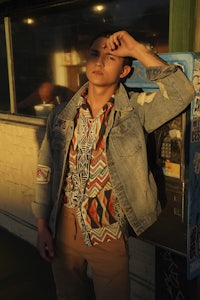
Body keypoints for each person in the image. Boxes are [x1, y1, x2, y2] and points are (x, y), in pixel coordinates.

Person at [32, 30, 195, 300]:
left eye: (110, 57)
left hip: (108, 232)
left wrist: (137, 49)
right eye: (94, 54)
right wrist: (41, 226)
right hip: (62, 226)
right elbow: (45, 170)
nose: (99, 62)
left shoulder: (134, 111)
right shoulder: (61, 115)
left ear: (124, 70)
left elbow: (181, 93)